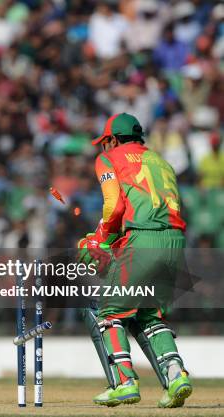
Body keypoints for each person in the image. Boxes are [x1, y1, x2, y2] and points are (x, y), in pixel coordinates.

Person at [78, 113, 192, 408]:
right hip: (175, 240)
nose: (105, 147)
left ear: (113, 140)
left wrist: (99, 240)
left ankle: (125, 383)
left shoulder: (109, 159)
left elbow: (114, 206)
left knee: (109, 313)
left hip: (143, 239)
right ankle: (176, 375)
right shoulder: (161, 160)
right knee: (150, 314)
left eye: (106, 142)